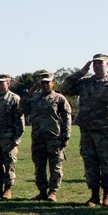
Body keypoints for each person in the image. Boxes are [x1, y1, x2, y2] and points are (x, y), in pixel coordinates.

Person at [60, 54, 108, 207]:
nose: (97, 66)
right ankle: (93, 196)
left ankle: (107, 196)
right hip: (87, 130)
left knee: (106, 163)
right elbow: (65, 88)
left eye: (100, 63)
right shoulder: (85, 82)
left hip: (107, 130)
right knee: (90, 163)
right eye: (95, 64)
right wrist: (80, 73)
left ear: (107, 64)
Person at [18, 72, 71, 202]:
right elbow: (21, 109)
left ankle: (53, 192)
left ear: (53, 83)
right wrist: (29, 93)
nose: (45, 85)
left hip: (55, 138)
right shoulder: (34, 99)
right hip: (38, 138)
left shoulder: (59, 98)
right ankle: (42, 191)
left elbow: (67, 117)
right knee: (39, 166)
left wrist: (66, 136)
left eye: (48, 82)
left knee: (55, 166)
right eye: (42, 83)